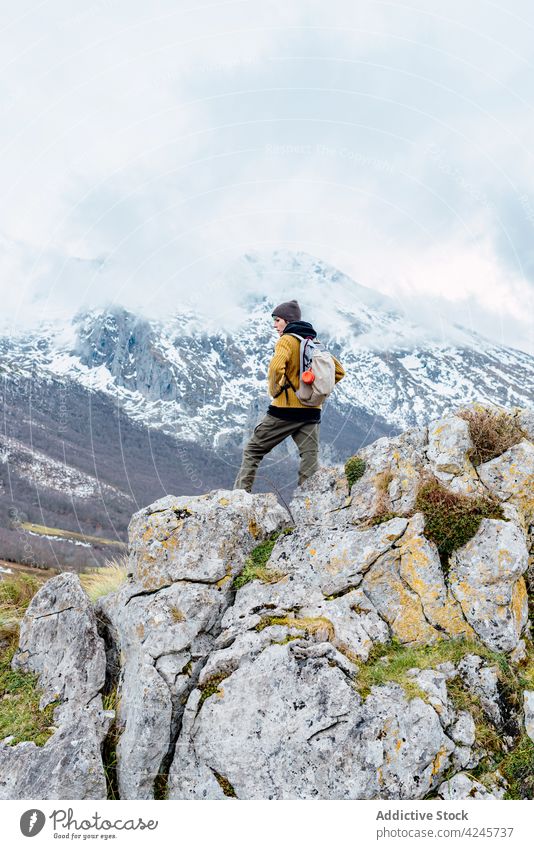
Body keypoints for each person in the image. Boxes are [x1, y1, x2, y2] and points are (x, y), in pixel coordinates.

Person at [233, 298, 345, 492]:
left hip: (284, 411)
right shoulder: (314, 342)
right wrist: (314, 392)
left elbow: (276, 367)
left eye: (277, 320)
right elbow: (339, 371)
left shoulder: (286, 340)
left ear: (287, 320)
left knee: (253, 450)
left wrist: (276, 391)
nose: (275, 325)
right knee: (309, 458)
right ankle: (308, 504)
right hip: (311, 412)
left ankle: (239, 498)